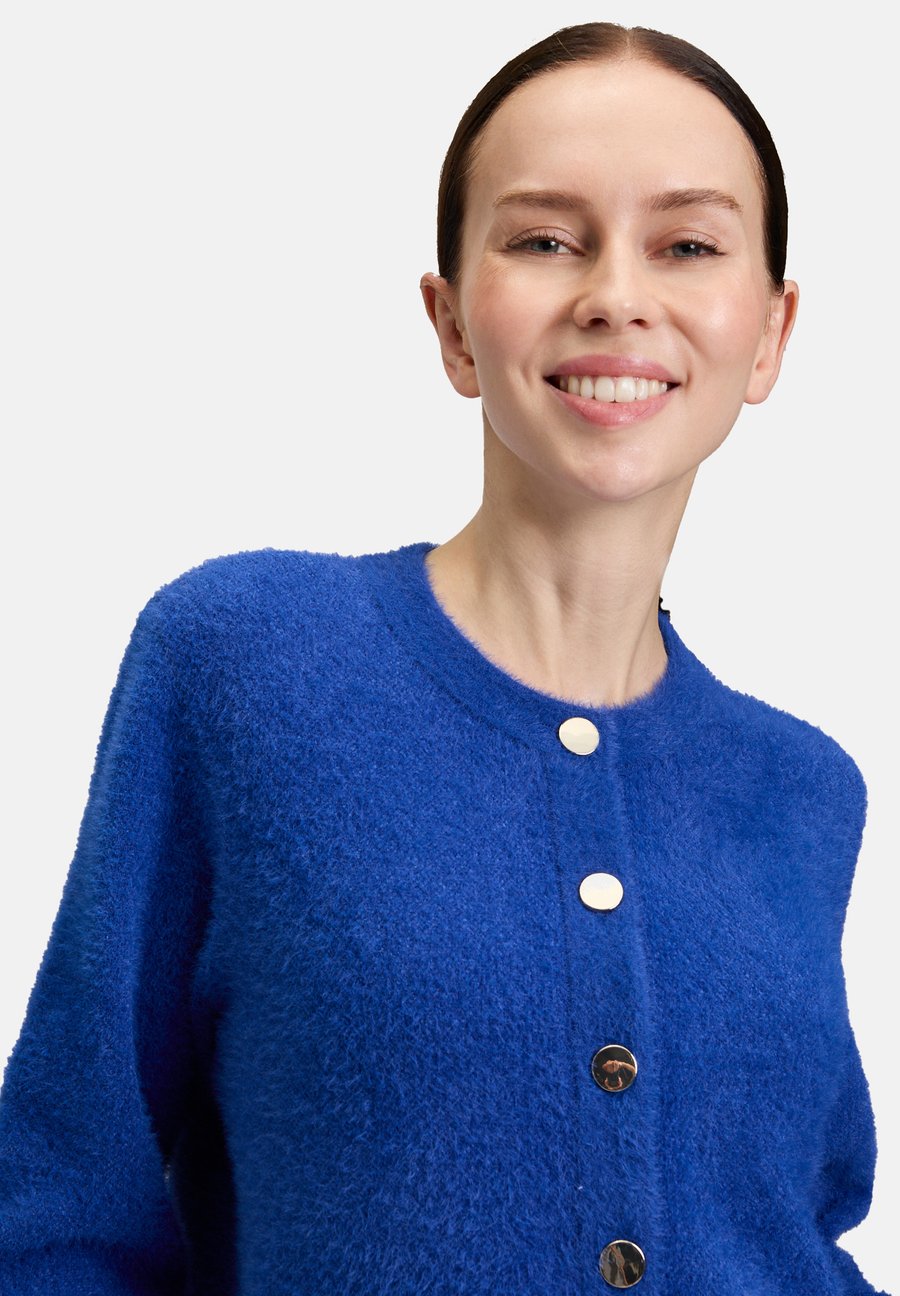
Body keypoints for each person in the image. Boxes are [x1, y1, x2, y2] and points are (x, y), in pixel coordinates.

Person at [0, 20, 890, 1295]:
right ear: (455, 324)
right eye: (545, 241)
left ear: (770, 334)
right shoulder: (245, 661)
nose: (615, 294)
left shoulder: (803, 788)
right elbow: (61, 1213)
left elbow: (800, 1231)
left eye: (688, 245)